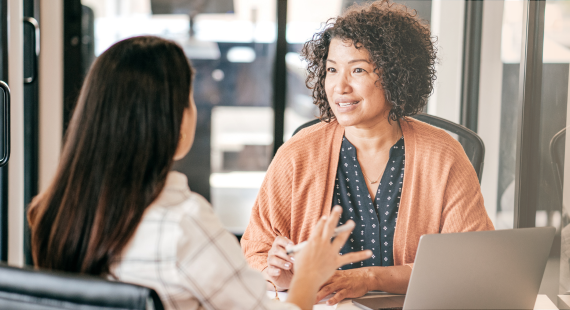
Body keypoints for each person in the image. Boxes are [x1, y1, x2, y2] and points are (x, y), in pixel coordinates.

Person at [27, 36, 371, 310]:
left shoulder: (52, 212)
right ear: (173, 122)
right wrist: (309, 275)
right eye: (190, 99)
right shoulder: (184, 223)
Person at [241, 0, 494, 305]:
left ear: (395, 74)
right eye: (332, 70)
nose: (340, 86)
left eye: (357, 69)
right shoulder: (297, 154)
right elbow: (256, 251)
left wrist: (370, 278)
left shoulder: (443, 154)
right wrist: (278, 273)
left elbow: (468, 263)